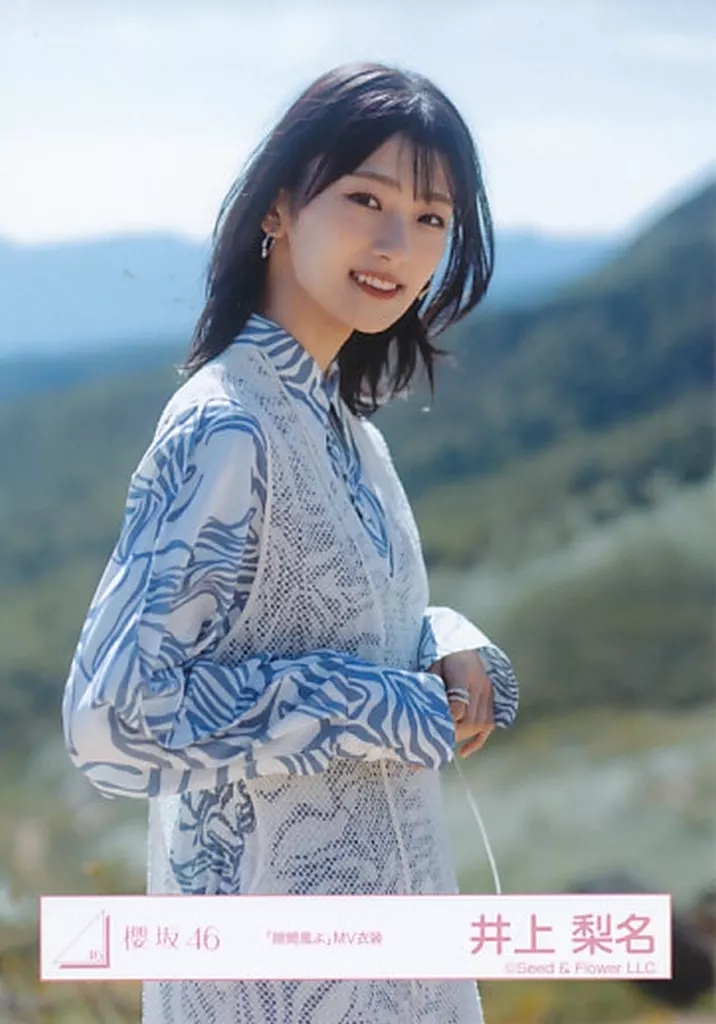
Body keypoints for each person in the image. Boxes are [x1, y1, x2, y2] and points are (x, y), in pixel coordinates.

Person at [61, 61, 520, 1024]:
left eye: (431, 218)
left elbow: (324, 618)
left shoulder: (350, 430)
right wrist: (379, 705)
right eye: (366, 199)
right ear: (278, 203)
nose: (398, 245)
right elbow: (112, 723)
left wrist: (444, 640)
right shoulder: (227, 426)